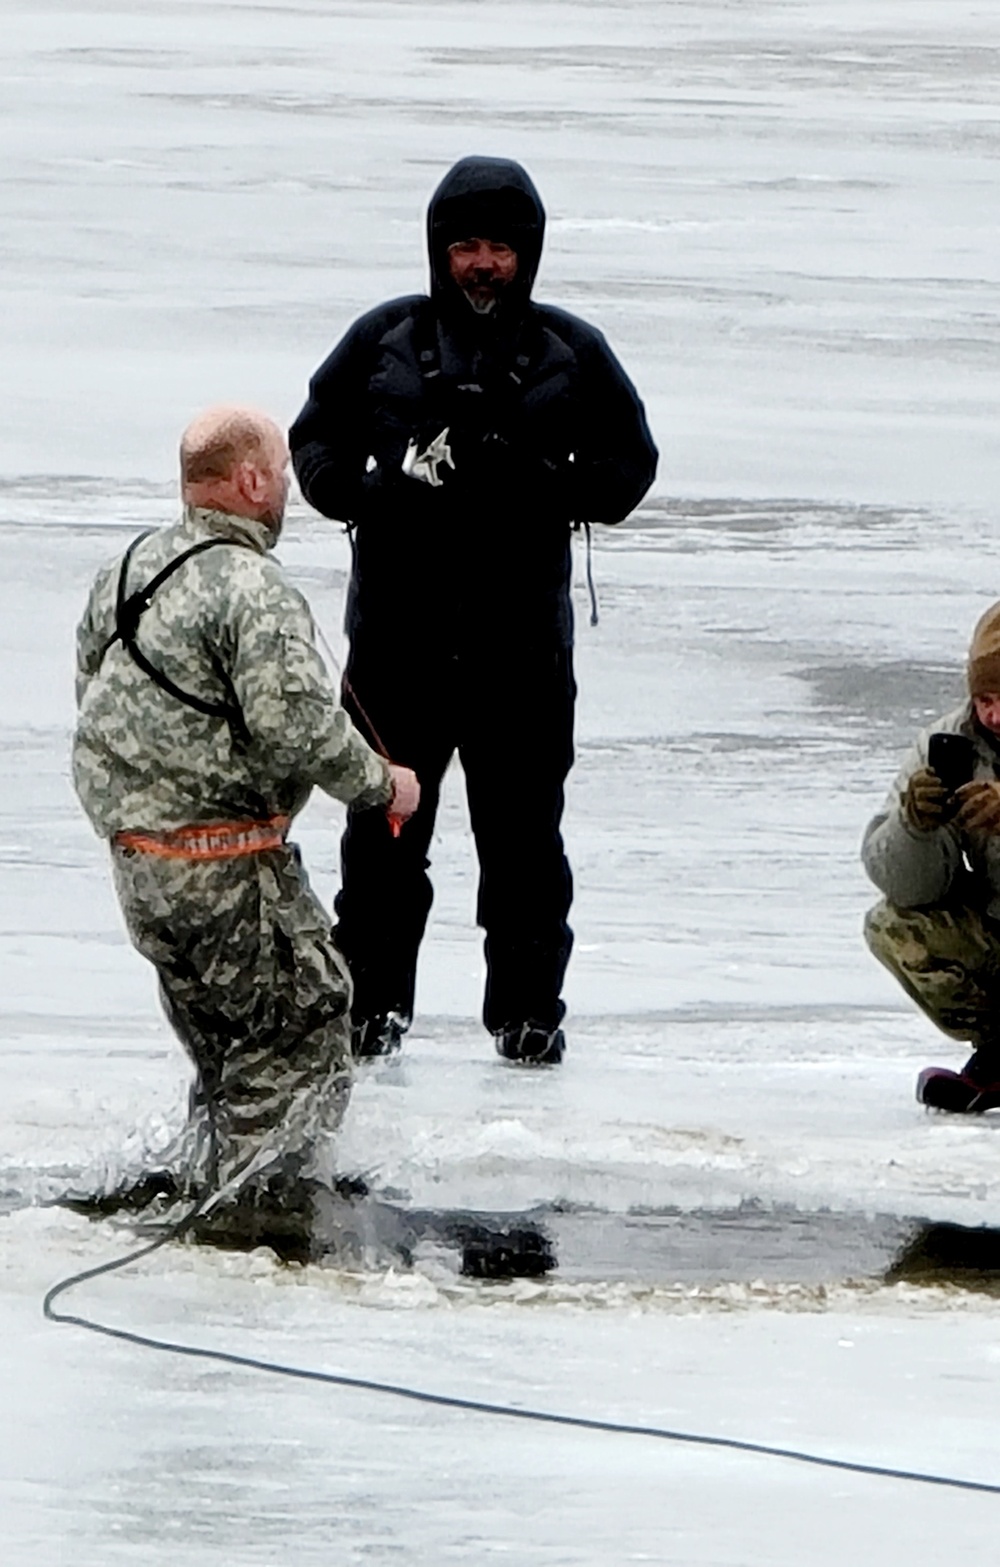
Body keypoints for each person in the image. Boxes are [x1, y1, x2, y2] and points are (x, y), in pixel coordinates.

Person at [290, 155, 658, 1065]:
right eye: (466, 246)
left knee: (525, 845)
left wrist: (549, 485)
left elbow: (633, 462)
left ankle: (528, 1014)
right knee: (381, 841)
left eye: (498, 245)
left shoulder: (572, 351)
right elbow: (313, 435)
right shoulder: (383, 338)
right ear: (439, 251)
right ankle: (371, 1009)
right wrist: (365, 494)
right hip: (394, 652)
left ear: (525, 252)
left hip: (522, 654)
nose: (482, 263)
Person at [72, 407, 419, 1239]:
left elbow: (93, 683)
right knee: (301, 1025)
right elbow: (296, 725)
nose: (289, 494)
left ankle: (206, 1190)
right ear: (252, 480)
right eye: (284, 478)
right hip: (225, 862)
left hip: (142, 868)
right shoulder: (252, 587)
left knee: (232, 1054)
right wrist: (384, 785)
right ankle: (256, 1224)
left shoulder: (126, 570)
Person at [862, 600, 1000, 1112]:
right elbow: (905, 887)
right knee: (893, 926)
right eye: (985, 698)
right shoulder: (948, 741)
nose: (994, 715)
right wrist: (916, 827)